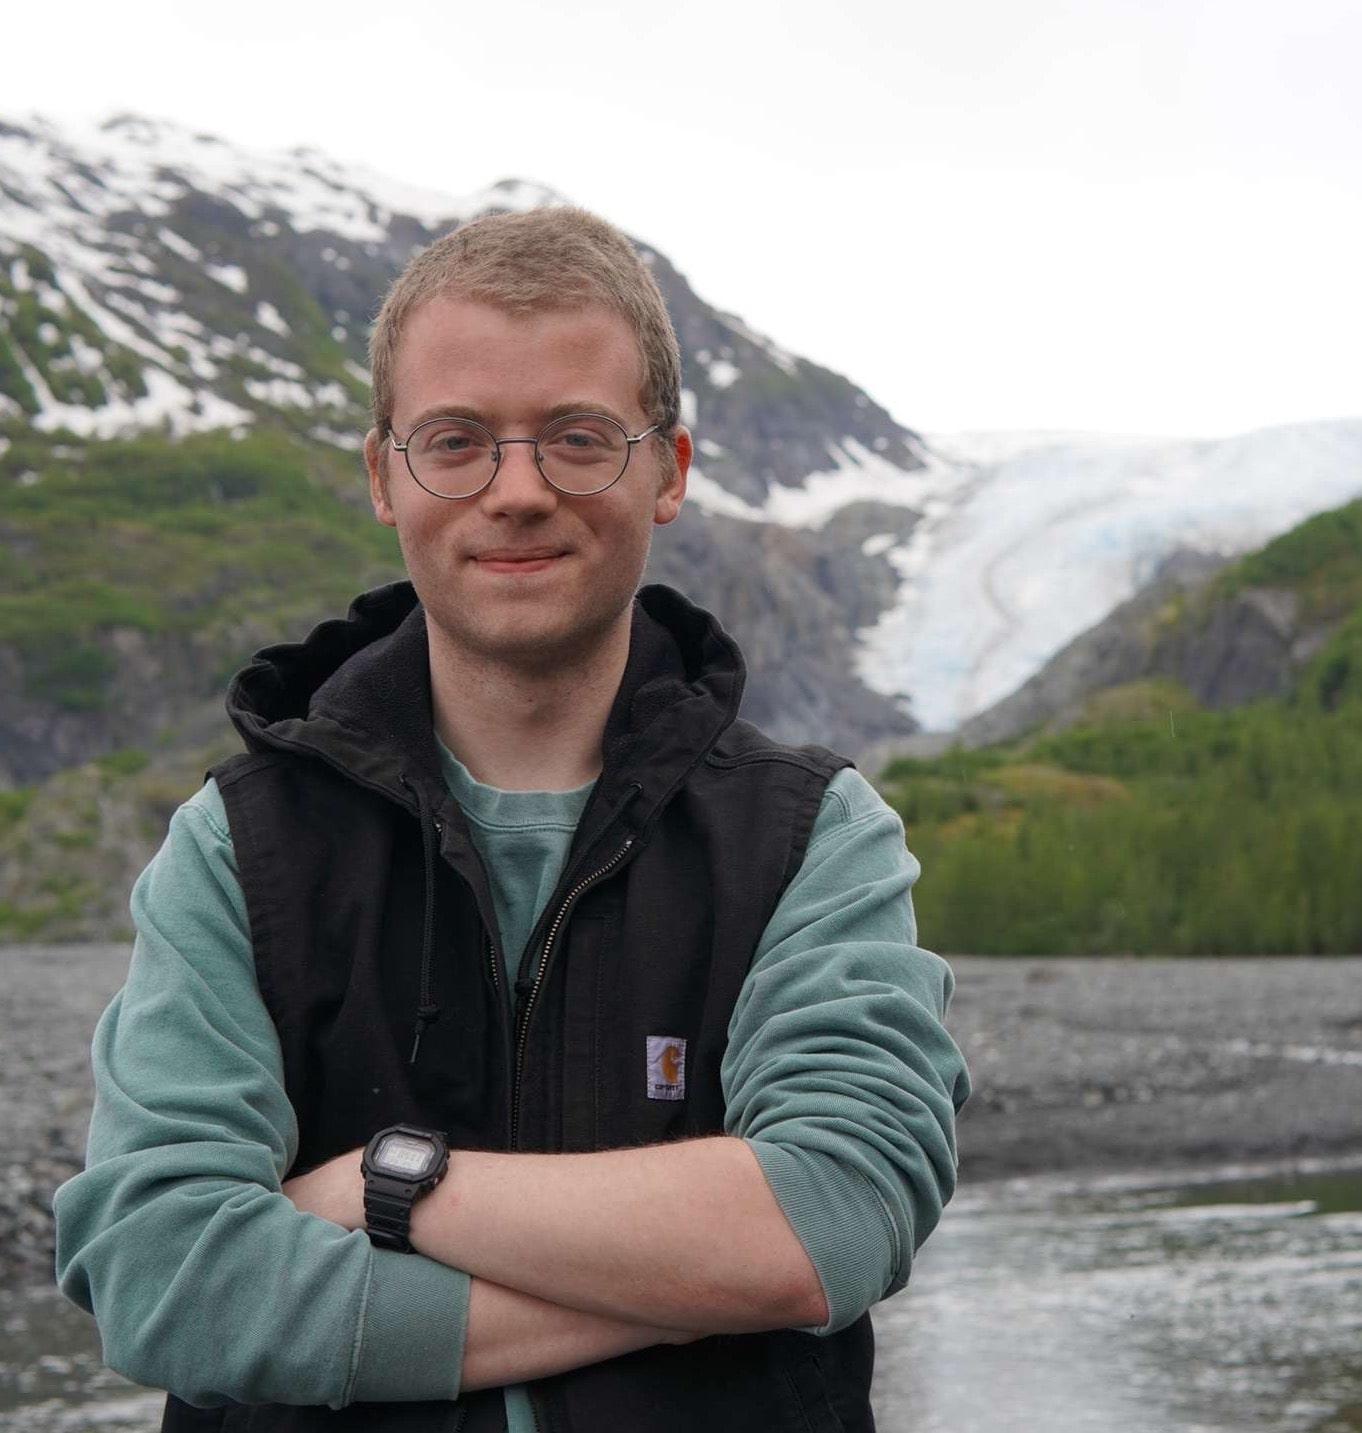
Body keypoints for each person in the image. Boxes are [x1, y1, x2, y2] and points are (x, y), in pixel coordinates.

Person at [53, 206, 971, 1433]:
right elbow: (162, 1271)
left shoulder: (812, 838)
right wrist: (694, 1281)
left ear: (671, 471)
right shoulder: (238, 850)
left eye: (580, 438)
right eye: (457, 440)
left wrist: (389, 1186)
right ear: (385, 475)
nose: (521, 489)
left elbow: (836, 1213)